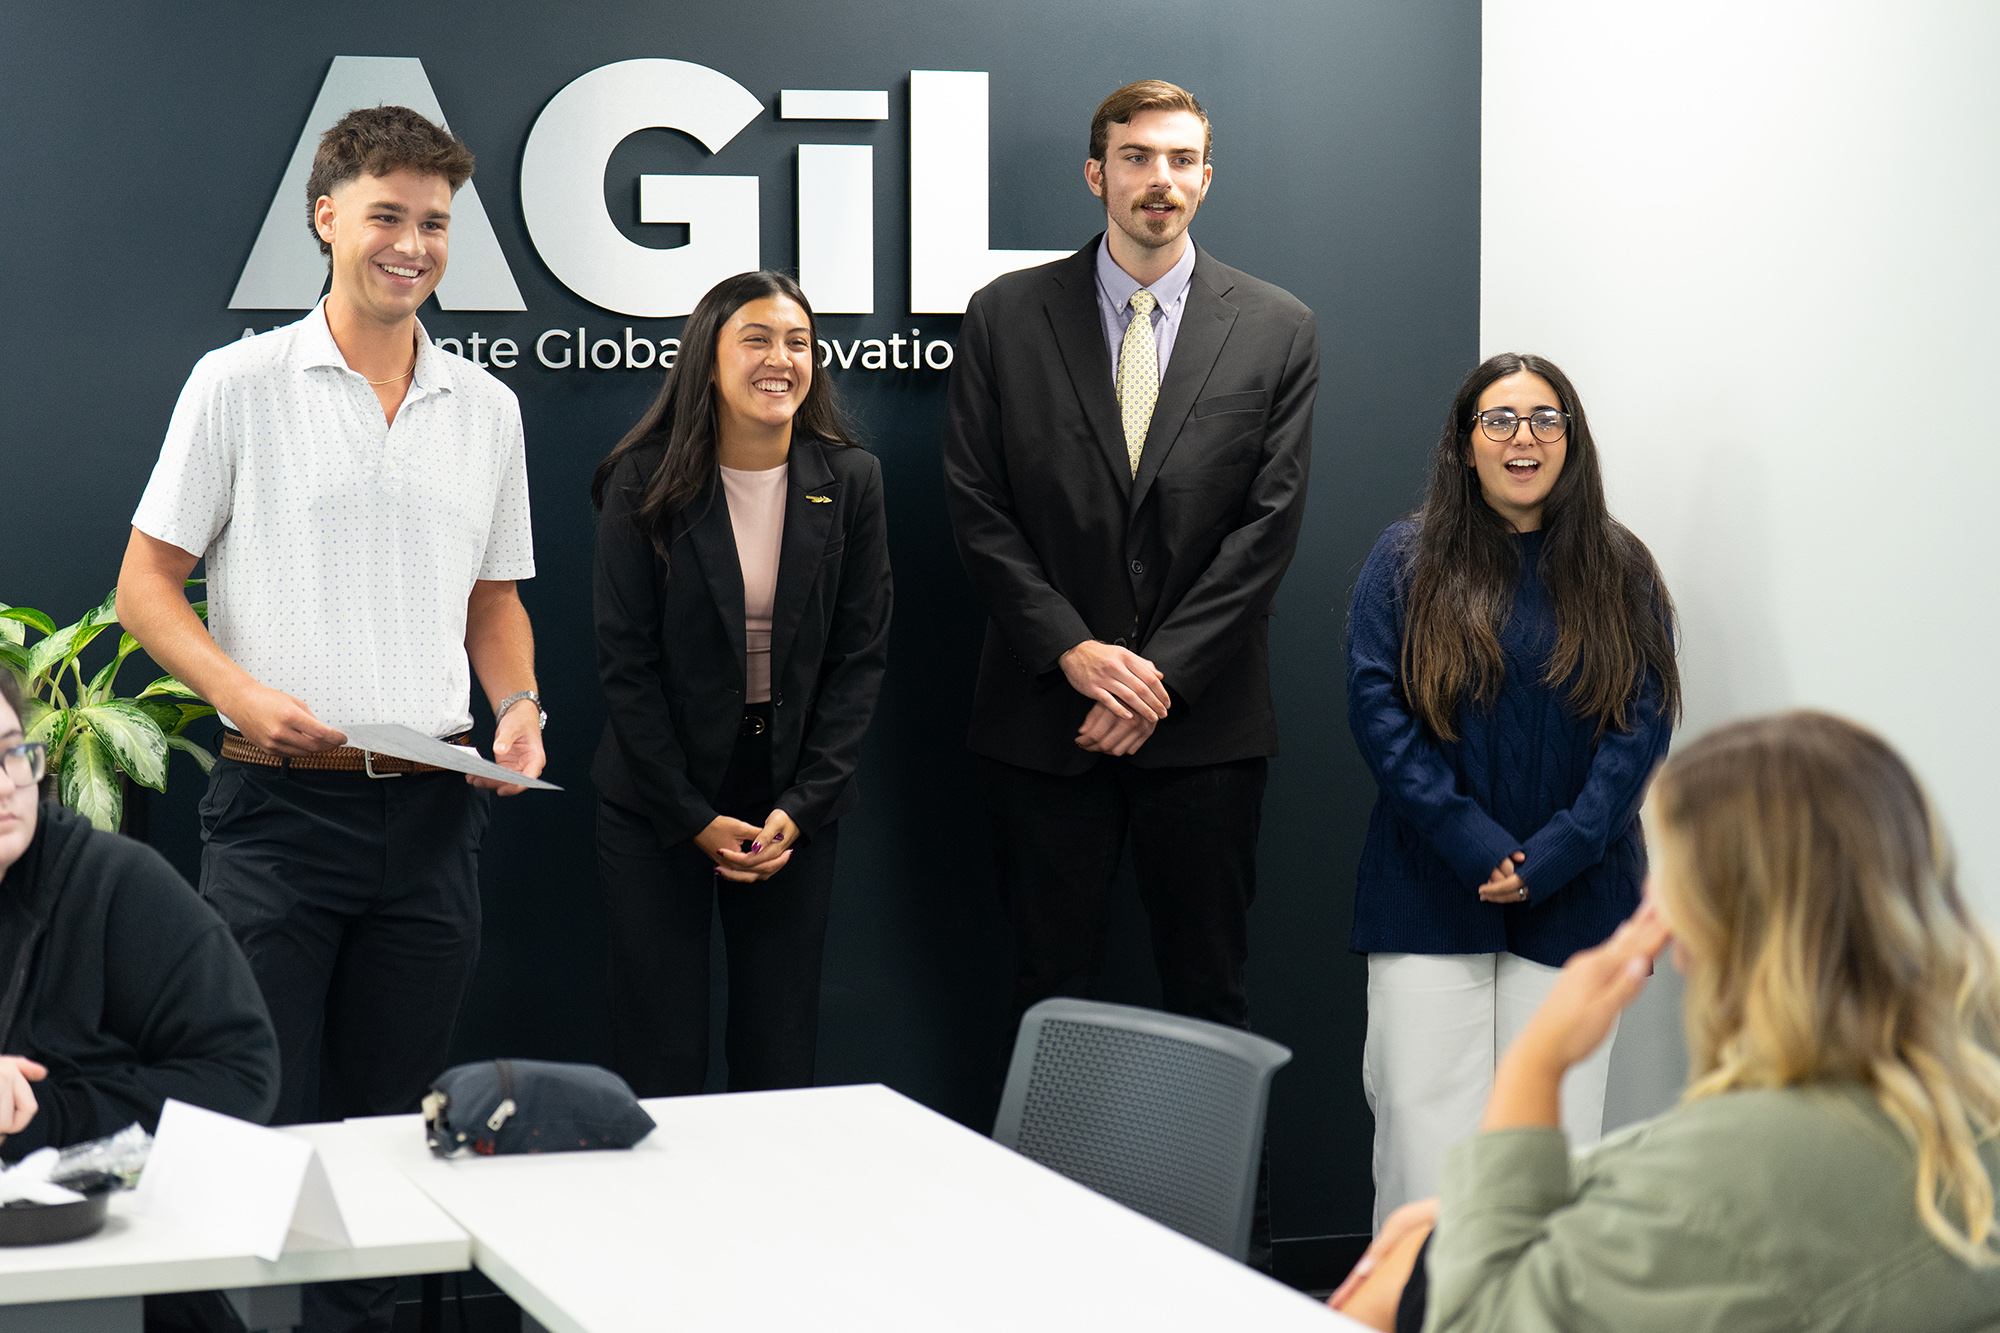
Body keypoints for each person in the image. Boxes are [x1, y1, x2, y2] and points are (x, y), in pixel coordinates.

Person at [115, 106, 541, 1333]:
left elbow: (494, 601)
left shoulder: (485, 405)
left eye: (433, 224)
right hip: (276, 813)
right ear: (326, 218)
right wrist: (240, 692)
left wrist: (517, 708)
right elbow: (145, 586)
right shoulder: (239, 383)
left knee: (389, 1134)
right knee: (235, 1117)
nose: (412, 245)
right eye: (386, 217)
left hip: (434, 818)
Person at [1330, 711, 2000, 1331]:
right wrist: (1484, 1211)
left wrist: (1537, 1062)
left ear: (1713, 924)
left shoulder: (1721, 1179)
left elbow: (1479, 1318)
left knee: (1395, 1281)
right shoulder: (1966, 1097)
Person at [941, 78, 1317, 1060]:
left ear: (1206, 177)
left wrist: (1157, 678)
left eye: (1182, 159)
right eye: (1138, 157)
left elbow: (1267, 528)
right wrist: (1072, 651)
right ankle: (1044, 1176)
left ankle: (1219, 1180)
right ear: (1095, 173)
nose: (1161, 179)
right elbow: (977, 506)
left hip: (1204, 724)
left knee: (1209, 994)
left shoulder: (1276, 325)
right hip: (1045, 717)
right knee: (1046, 995)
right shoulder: (1005, 315)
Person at [1344, 352, 1679, 1228]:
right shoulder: (1404, 559)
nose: (1522, 437)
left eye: (1544, 418)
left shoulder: (1622, 568)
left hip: (1576, 897)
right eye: (1499, 419)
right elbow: (1377, 710)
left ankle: (1531, 1303)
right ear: (1465, 444)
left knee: (1545, 1158)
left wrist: (1556, 852)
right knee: (1427, 1156)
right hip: (1426, 892)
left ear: (1571, 439)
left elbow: (1641, 729)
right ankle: (1425, 1300)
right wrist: (1473, 841)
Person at [591, 270, 890, 1096]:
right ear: (709, 358)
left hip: (789, 796)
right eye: (756, 339)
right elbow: (625, 665)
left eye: (798, 342)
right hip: (659, 797)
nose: (780, 359)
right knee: (660, 1048)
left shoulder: (851, 479)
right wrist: (689, 815)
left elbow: (859, 658)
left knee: (778, 1048)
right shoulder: (642, 480)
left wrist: (804, 804)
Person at [0, 669, 278, 1158]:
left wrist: (42, 1116)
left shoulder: (113, 884)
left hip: (79, 1197)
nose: (7, 787)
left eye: (12, 754)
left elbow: (241, 1075)